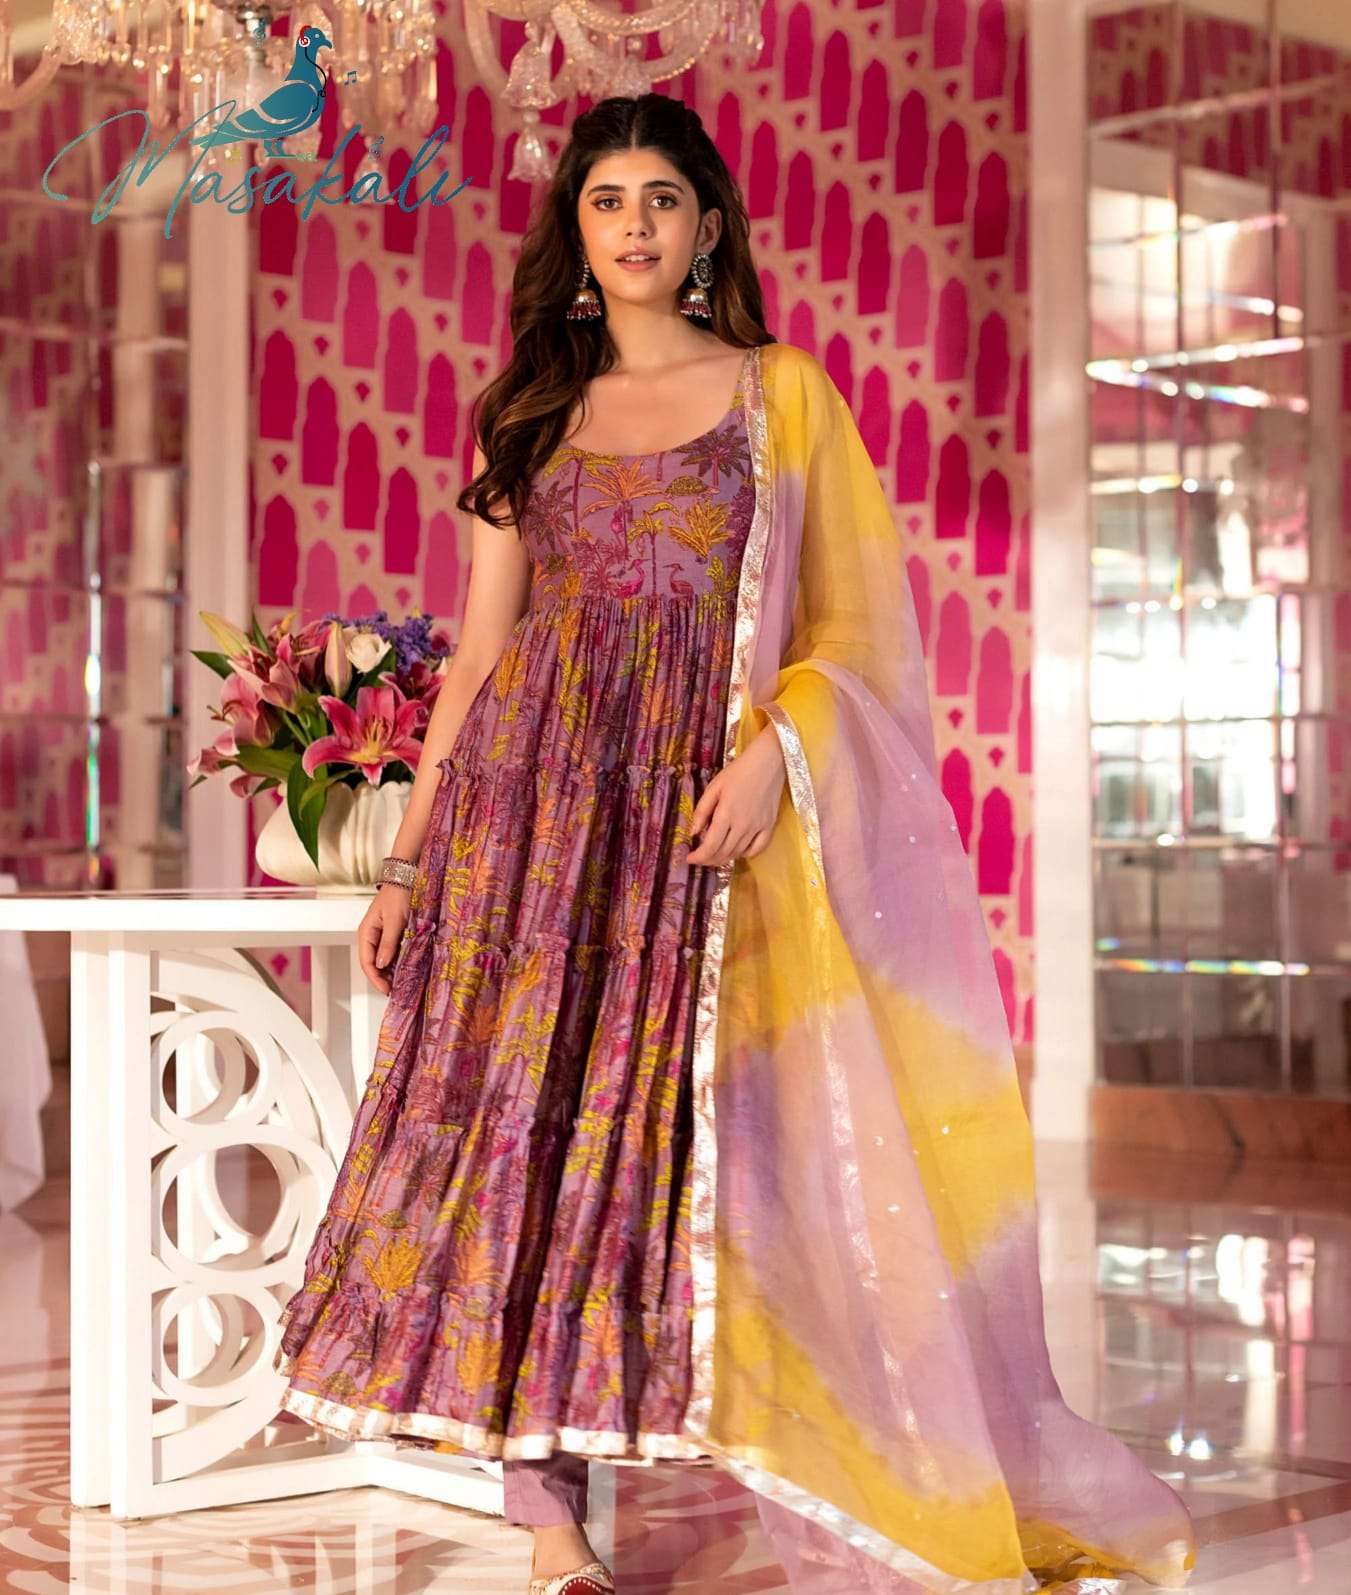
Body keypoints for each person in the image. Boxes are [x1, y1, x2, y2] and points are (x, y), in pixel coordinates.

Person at [274, 95, 1198, 1595]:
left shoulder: (782, 394)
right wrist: (408, 863)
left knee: (713, 1151)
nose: (634, 224)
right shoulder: (525, 410)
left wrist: (778, 750)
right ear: (575, 234)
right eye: (606, 201)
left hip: (700, 828)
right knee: (520, 1143)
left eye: (661, 198)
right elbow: (483, 655)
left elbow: (858, 633)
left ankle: (807, 1446)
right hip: (535, 830)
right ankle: (548, 1521)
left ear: (707, 227)